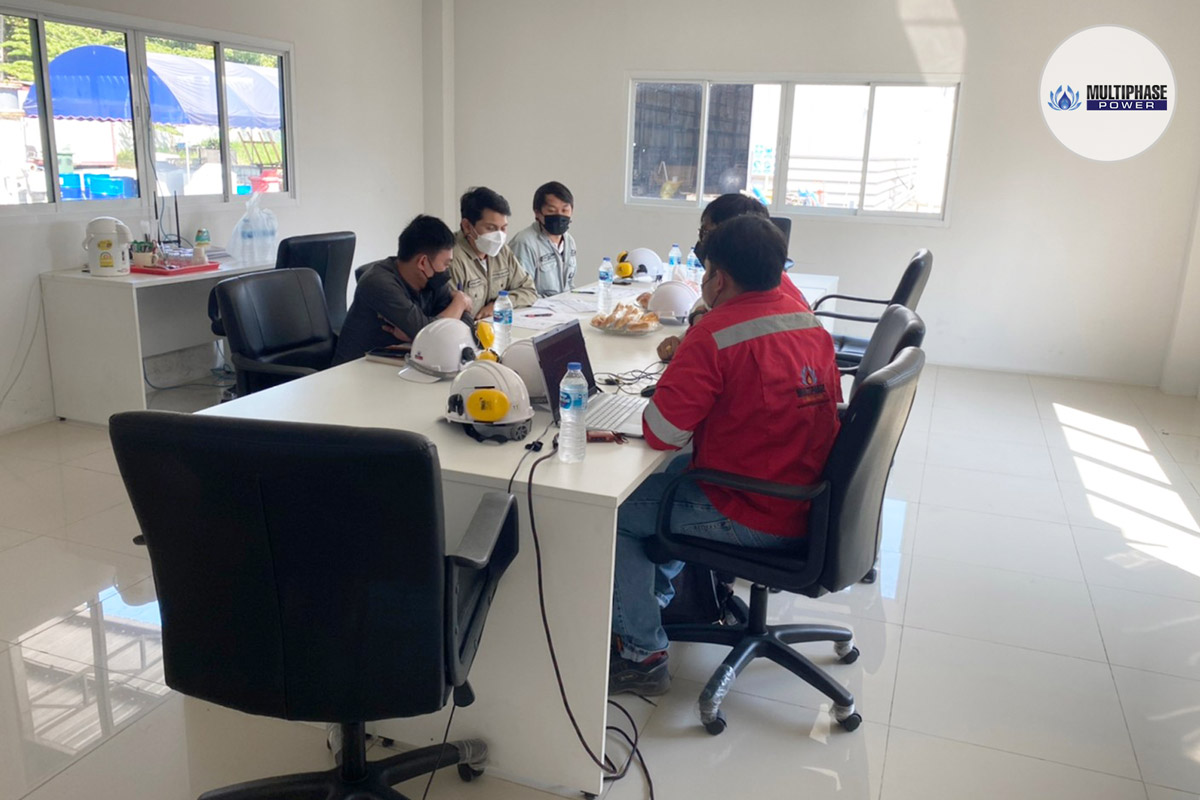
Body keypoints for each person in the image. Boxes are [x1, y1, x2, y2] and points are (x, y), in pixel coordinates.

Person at [608, 215, 843, 696]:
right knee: (665, 480)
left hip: (754, 509)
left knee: (617, 514)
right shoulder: (808, 321)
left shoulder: (716, 332)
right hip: (808, 496)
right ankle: (654, 600)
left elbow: (661, 433)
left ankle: (641, 653)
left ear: (719, 277)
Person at [657, 194, 809, 362]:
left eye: (707, 233)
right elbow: (707, 309)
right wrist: (690, 330)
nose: (704, 242)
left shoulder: (760, 292)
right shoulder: (759, 280)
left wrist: (695, 335)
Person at [332, 215, 474, 366]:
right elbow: (432, 335)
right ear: (423, 262)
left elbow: (466, 324)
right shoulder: (378, 283)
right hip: (355, 370)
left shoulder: (433, 279)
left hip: (401, 364)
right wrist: (460, 302)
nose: (447, 270)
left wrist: (417, 335)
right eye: (446, 263)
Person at [449, 186, 538, 320]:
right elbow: (450, 315)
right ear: (467, 226)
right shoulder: (451, 256)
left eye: (503, 228)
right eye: (491, 228)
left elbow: (529, 291)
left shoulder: (503, 251)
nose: (499, 236)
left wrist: (499, 305)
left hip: (499, 327)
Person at [509, 181, 578, 297]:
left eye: (565, 210)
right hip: (537, 307)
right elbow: (521, 293)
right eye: (551, 211)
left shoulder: (569, 241)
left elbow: (569, 284)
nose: (559, 215)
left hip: (565, 304)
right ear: (537, 213)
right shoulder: (524, 243)